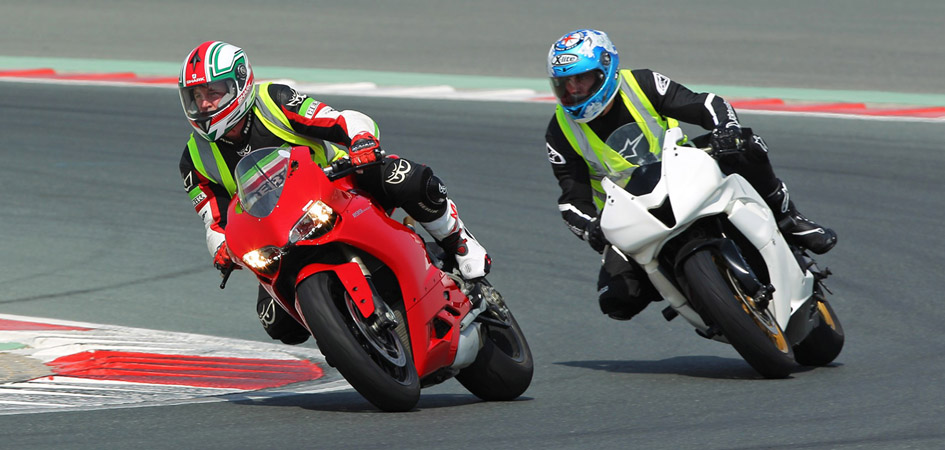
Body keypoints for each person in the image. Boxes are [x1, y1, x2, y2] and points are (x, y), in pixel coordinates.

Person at [178, 41, 490, 344]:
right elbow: (215, 221)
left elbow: (335, 118)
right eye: (196, 96)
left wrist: (361, 139)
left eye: (213, 92)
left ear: (240, 84)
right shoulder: (194, 158)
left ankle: (457, 241)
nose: (204, 104)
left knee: (406, 178)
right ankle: (346, 335)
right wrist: (221, 249)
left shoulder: (273, 99)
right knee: (277, 322)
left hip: (335, 187)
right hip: (279, 232)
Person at [544, 29, 837, 321]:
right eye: (564, 84)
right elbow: (572, 199)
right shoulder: (560, 131)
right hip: (631, 210)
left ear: (606, 69)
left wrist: (726, 129)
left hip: (683, 168)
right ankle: (693, 292)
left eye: (581, 79)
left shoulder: (640, 83)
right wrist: (591, 227)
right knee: (618, 301)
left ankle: (790, 219)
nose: (574, 91)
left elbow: (704, 104)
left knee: (746, 145)